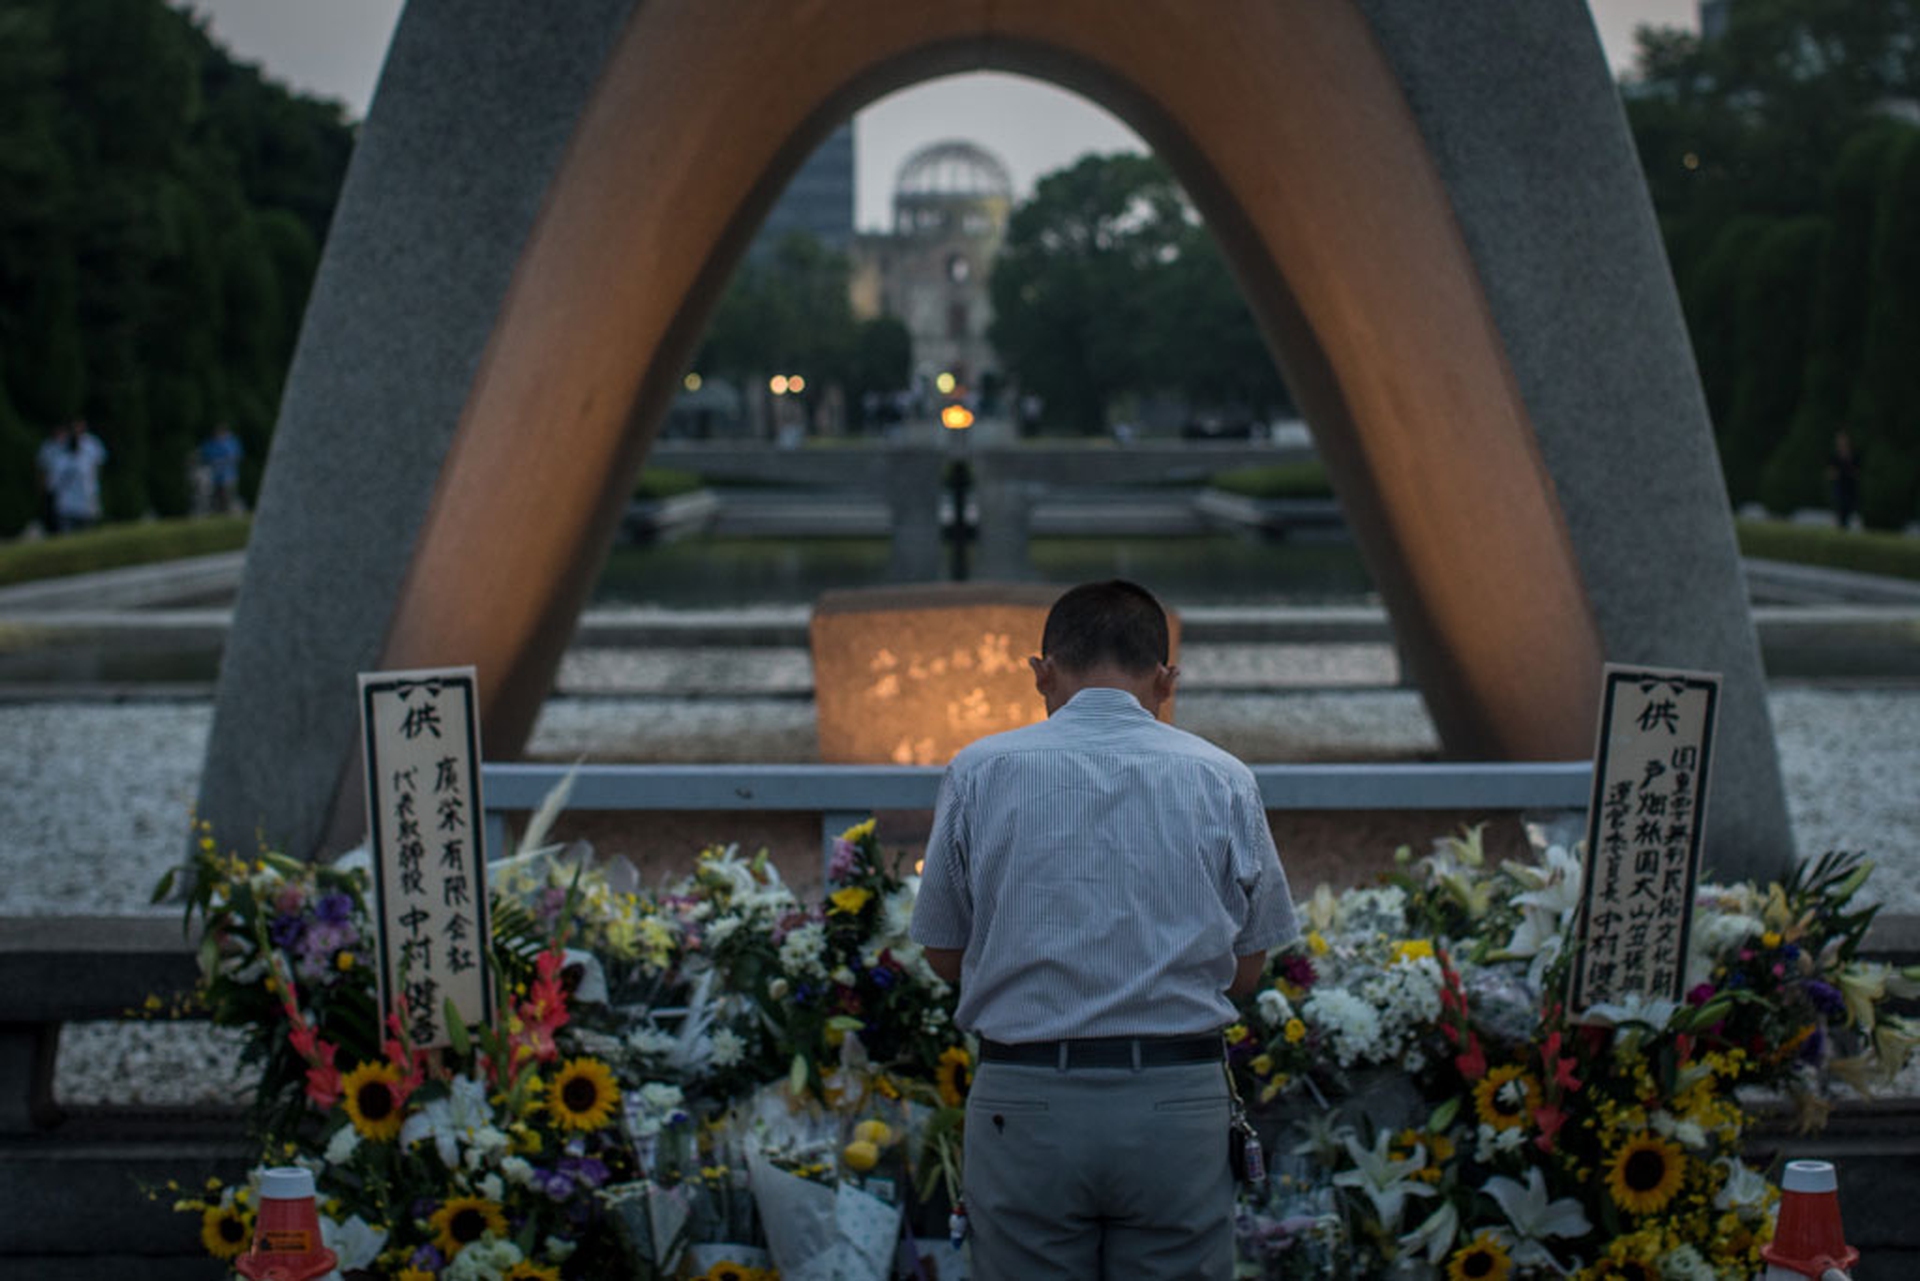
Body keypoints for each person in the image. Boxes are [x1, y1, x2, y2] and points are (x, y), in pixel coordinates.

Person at [911, 579, 1298, 1280]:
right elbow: (1247, 969)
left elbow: (943, 950)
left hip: (1024, 1099)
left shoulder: (981, 770)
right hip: (1175, 1100)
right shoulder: (1225, 777)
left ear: (1042, 672)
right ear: (1167, 679)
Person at [45, 419, 107, 534]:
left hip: (79, 505)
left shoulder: (79, 460)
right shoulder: (63, 460)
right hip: (70, 506)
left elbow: (53, 485)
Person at [199, 423, 243, 514]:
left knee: (228, 497)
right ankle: (219, 513)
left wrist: (223, 461)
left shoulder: (231, 443)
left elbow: (236, 457)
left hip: (228, 476)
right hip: (214, 478)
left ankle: (232, 513)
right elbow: (204, 457)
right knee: (215, 499)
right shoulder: (210, 443)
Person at [1828, 429, 1862, 531]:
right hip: (1840, 488)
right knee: (1840, 511)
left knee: (1850, 511)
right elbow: (1830, 473)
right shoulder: (1835, 456)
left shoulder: (1853, 456)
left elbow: (1857, 472)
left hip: (1850, 488)